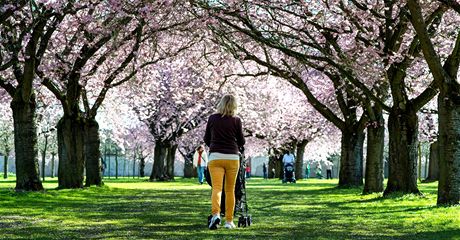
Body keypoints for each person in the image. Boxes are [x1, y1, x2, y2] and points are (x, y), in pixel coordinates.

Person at [204, 94, 245, 230]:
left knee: (217, 188)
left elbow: (206, 139)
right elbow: (241, 141)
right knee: (230, 190)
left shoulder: (212, 118)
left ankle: (216, 214)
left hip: (215, 157)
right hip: (232, 158)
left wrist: (215, 145)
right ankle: (229, 221)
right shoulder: (236, 120)